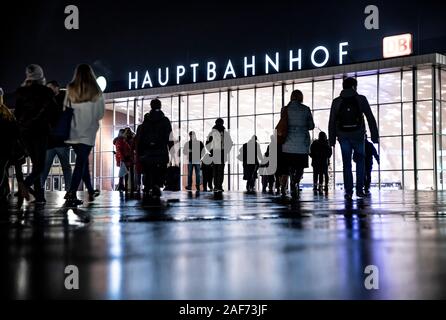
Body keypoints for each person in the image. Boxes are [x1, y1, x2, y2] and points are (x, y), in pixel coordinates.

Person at [14, 64, 59, 204]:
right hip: (40, 132)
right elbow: (55, 113)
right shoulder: (46, 92)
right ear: (41, 76)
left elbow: (17, 113)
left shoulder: (21, 92)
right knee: (39, 166)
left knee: (36, 164)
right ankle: (24, 186)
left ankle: (39, 196)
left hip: (25, 133)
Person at [328, 77, 379, 200]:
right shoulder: (361, 99)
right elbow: (370, 118)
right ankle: (360, 190)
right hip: (358, 135)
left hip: (343, 135)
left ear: (343, 86)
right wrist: (374, 136)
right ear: (354, 86)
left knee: (347, 164)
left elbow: (332, 121)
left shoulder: (336, 101)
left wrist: (332, 139)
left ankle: (348, 191)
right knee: (360, 161)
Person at [64, 64, 105, 206]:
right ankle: (72, 192)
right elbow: (100, 114)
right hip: (88, 133)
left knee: (82, 162)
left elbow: (65, 109)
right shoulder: (96, 91)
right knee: (81, 164)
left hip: (73, 133)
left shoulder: (70, 89)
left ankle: (91, 189)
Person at [279, 89, 315, 200]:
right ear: (301, 97)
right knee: (299, 167)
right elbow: (311, 126)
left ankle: (283, 187)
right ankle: (295, 182)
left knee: (286, 169)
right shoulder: (306, 109)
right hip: (301, 145)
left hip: (287, 145)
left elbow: (283, 124)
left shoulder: (285, 109)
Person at [136, 99, 174, 202]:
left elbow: (141, 137)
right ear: (160, 106)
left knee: (148, 170)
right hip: (161, 151)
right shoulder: (165, 120)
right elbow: (169, 136)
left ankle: (148, 187)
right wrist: (172, 151)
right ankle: (157, 186)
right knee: (160, 170)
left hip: (148, 151)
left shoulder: (146, 121)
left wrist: (139, 152)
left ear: (151, 106)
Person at [40, 80, 73, 191]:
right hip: (51, 141)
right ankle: (39, 190)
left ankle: (69, 191)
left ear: (56, 88)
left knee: (65, 167)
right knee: (45, 168)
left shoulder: (64, 99)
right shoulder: (48, 100)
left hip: (61, 141)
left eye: (50, 88)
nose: (48, 90)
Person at [0, 87, 19, 207]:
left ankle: (4, 192)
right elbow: (14, 132)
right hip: (5, 149)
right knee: (3, 170)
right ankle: (4, 192)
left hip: (4, 149)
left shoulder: (6, 113)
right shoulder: (7, 113)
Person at [206, 118, 233, 195]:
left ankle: (216, 186)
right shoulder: (225, 133)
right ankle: (219, 186)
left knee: (215, 171)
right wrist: (226, 151)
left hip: (215, 153)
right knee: (220, 171)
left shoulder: (212, 133)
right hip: (221, 153)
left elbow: (207, 143)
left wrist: (211, 151)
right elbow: (230, 143)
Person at [114, 128, 133, 193]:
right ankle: (122, 186)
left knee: (123, 172)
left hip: (124, 158)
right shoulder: (120, 141)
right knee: (123, 172)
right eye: (124, 133)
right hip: (124, 159)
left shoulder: (122, 140)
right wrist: (122, 158)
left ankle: (123, 185)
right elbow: (119, 150)